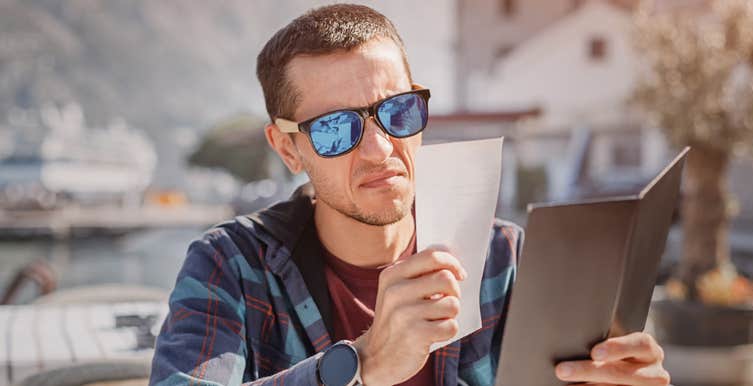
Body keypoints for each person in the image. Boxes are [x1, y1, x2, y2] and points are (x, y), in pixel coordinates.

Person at [149, 4, 671, 386]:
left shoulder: (507, 260)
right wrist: (362, 364)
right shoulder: (231, 265)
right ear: (288, 149)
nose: (379, 149)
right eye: (334, 128)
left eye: (396, 111)